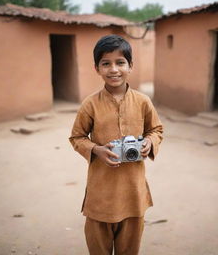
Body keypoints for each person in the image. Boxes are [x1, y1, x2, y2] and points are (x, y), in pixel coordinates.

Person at [69, 34, 163, 255]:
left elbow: (156, 129)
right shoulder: (90, 104)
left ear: (130, 66)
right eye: (106, 63)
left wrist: (149, 141)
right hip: (100, 195)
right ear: (97, 68)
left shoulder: (142, 101)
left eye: (120, 62)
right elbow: (76, 137)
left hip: (133, 195)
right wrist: (96, 150)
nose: (114, 69)